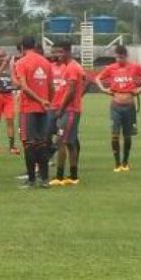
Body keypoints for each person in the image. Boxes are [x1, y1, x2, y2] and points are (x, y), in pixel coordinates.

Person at [95, 45, 141, 172]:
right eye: (117, 57)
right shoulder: (111, 68)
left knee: (127, 136)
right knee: (115, 135)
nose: (119, 60)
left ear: (126, 56)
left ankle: (125, 162)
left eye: (121, 57)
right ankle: (116, 163)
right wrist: (104, 90)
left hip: (129, 106)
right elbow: (97, 78)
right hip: (115, 105)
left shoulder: (134, 67)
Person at [13, 36, 53, 188]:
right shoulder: (45, 62)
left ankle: (31, 180)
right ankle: (44, 179)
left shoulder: (21, 63)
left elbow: (24, 87)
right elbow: (51, 87)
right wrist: (46, 101)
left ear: (22, 47)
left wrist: (39, 100)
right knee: (42, 143)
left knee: (29, 144)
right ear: (35, 45)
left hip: (28, 108)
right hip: (44, 109)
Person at [48, 42, 86, 186]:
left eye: (60, 52)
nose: (58, 55)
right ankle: (74, 175)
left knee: (61, 141)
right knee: (70, 143)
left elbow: (70, 91)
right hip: (70, 109)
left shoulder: (71, 68)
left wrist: (61, 109)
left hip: (69, 110)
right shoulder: (71, 67)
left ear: (67, 52)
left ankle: (59, 176)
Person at [0, 49, 20, 156]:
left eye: (4, 56)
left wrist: (10, 66)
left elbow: (15, 79)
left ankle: (12, 146)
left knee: (10, 119)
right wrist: (3, 65)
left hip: (9, 95)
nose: (3, 59)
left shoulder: (12, 66)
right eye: (0, 57)